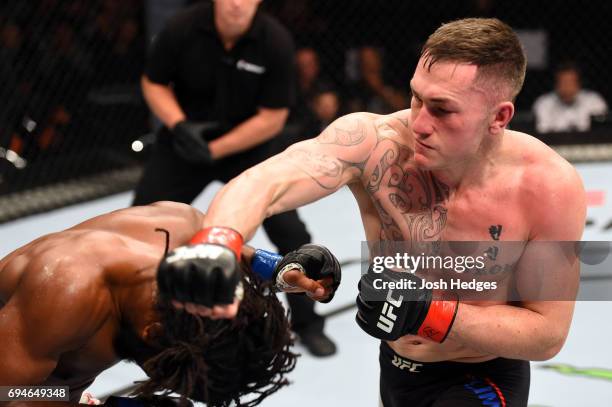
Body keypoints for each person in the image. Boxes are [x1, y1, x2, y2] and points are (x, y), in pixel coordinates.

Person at [159, 18, 587, 406]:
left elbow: (547, 334)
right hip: (395, 369)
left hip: (483, 376)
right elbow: (265, 182)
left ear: (499, 117)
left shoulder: (547, 186)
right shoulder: (372, 142)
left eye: (442, 109)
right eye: (416, 98)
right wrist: (220, 241)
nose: (419, 122)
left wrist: (429, 312)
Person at [132, 0, 336, 357]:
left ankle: (308, 323)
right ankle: (137, 321)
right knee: (139, 225)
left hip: (247, 149)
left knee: (290, 233)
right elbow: (153, 83)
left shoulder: (275, 41)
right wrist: (179, 125)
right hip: (183, 143)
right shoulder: (182, 28)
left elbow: (272, 117)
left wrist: (216, 149)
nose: (237, 3)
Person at [0, 201, 341, 406]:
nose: (169, 385)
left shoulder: (184, 229)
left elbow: (232, 256)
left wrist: (279, 268)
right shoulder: (61, 299)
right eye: (171, 375)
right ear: (154, 331)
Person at [532, 61, 608, 133]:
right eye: (563, 82)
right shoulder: (543, 103)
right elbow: (541, 132)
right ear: (556, 84)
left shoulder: (594, 101)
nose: (567, 87)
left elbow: (601, 131)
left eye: (571, 82)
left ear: (579, 83)